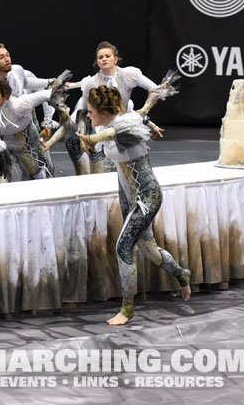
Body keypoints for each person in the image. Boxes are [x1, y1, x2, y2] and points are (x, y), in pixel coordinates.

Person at [78, 86, 190, 326]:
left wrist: (89, 138)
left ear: (103, 111)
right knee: (148, 249)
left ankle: (127, 309)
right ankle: (182, 274)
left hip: (147, 196)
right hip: (129, 199)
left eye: (90, 111)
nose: (88, 115)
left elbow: (109, 134)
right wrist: (153, 97)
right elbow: (143, 111)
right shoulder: (111, 123)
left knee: (123, 247)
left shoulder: (122, 124)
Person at [44, 41, 169, 175]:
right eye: (100, 57)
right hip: (102, 128)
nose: (104, 59)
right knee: (102, 172)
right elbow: (78, 116)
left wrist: (149, 120)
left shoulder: (129, 75)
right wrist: (51, 143)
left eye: (107, 56)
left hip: (124, 127)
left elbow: (154, 91)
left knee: (132, 170)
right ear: (97, 62)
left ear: (116, 59)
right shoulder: (91, 83)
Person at [0, 72, 69, 180]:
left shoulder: (18, 105)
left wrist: (57, 85)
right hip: (5, 148)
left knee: (38, 172)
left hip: (27, 145)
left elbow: (45, 95)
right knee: (2, 175)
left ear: (5, 97)